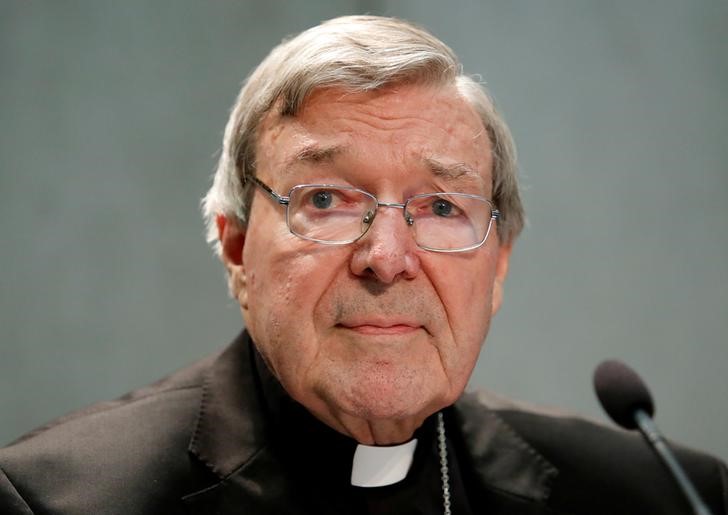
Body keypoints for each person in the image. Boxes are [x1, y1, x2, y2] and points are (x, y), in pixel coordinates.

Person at [1, 15, 725, 515]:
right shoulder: (56, 498)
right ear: (235, 247)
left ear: (498, 265)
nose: (386, 259)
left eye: (442, 208)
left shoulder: (662, 495)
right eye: (326, 199)